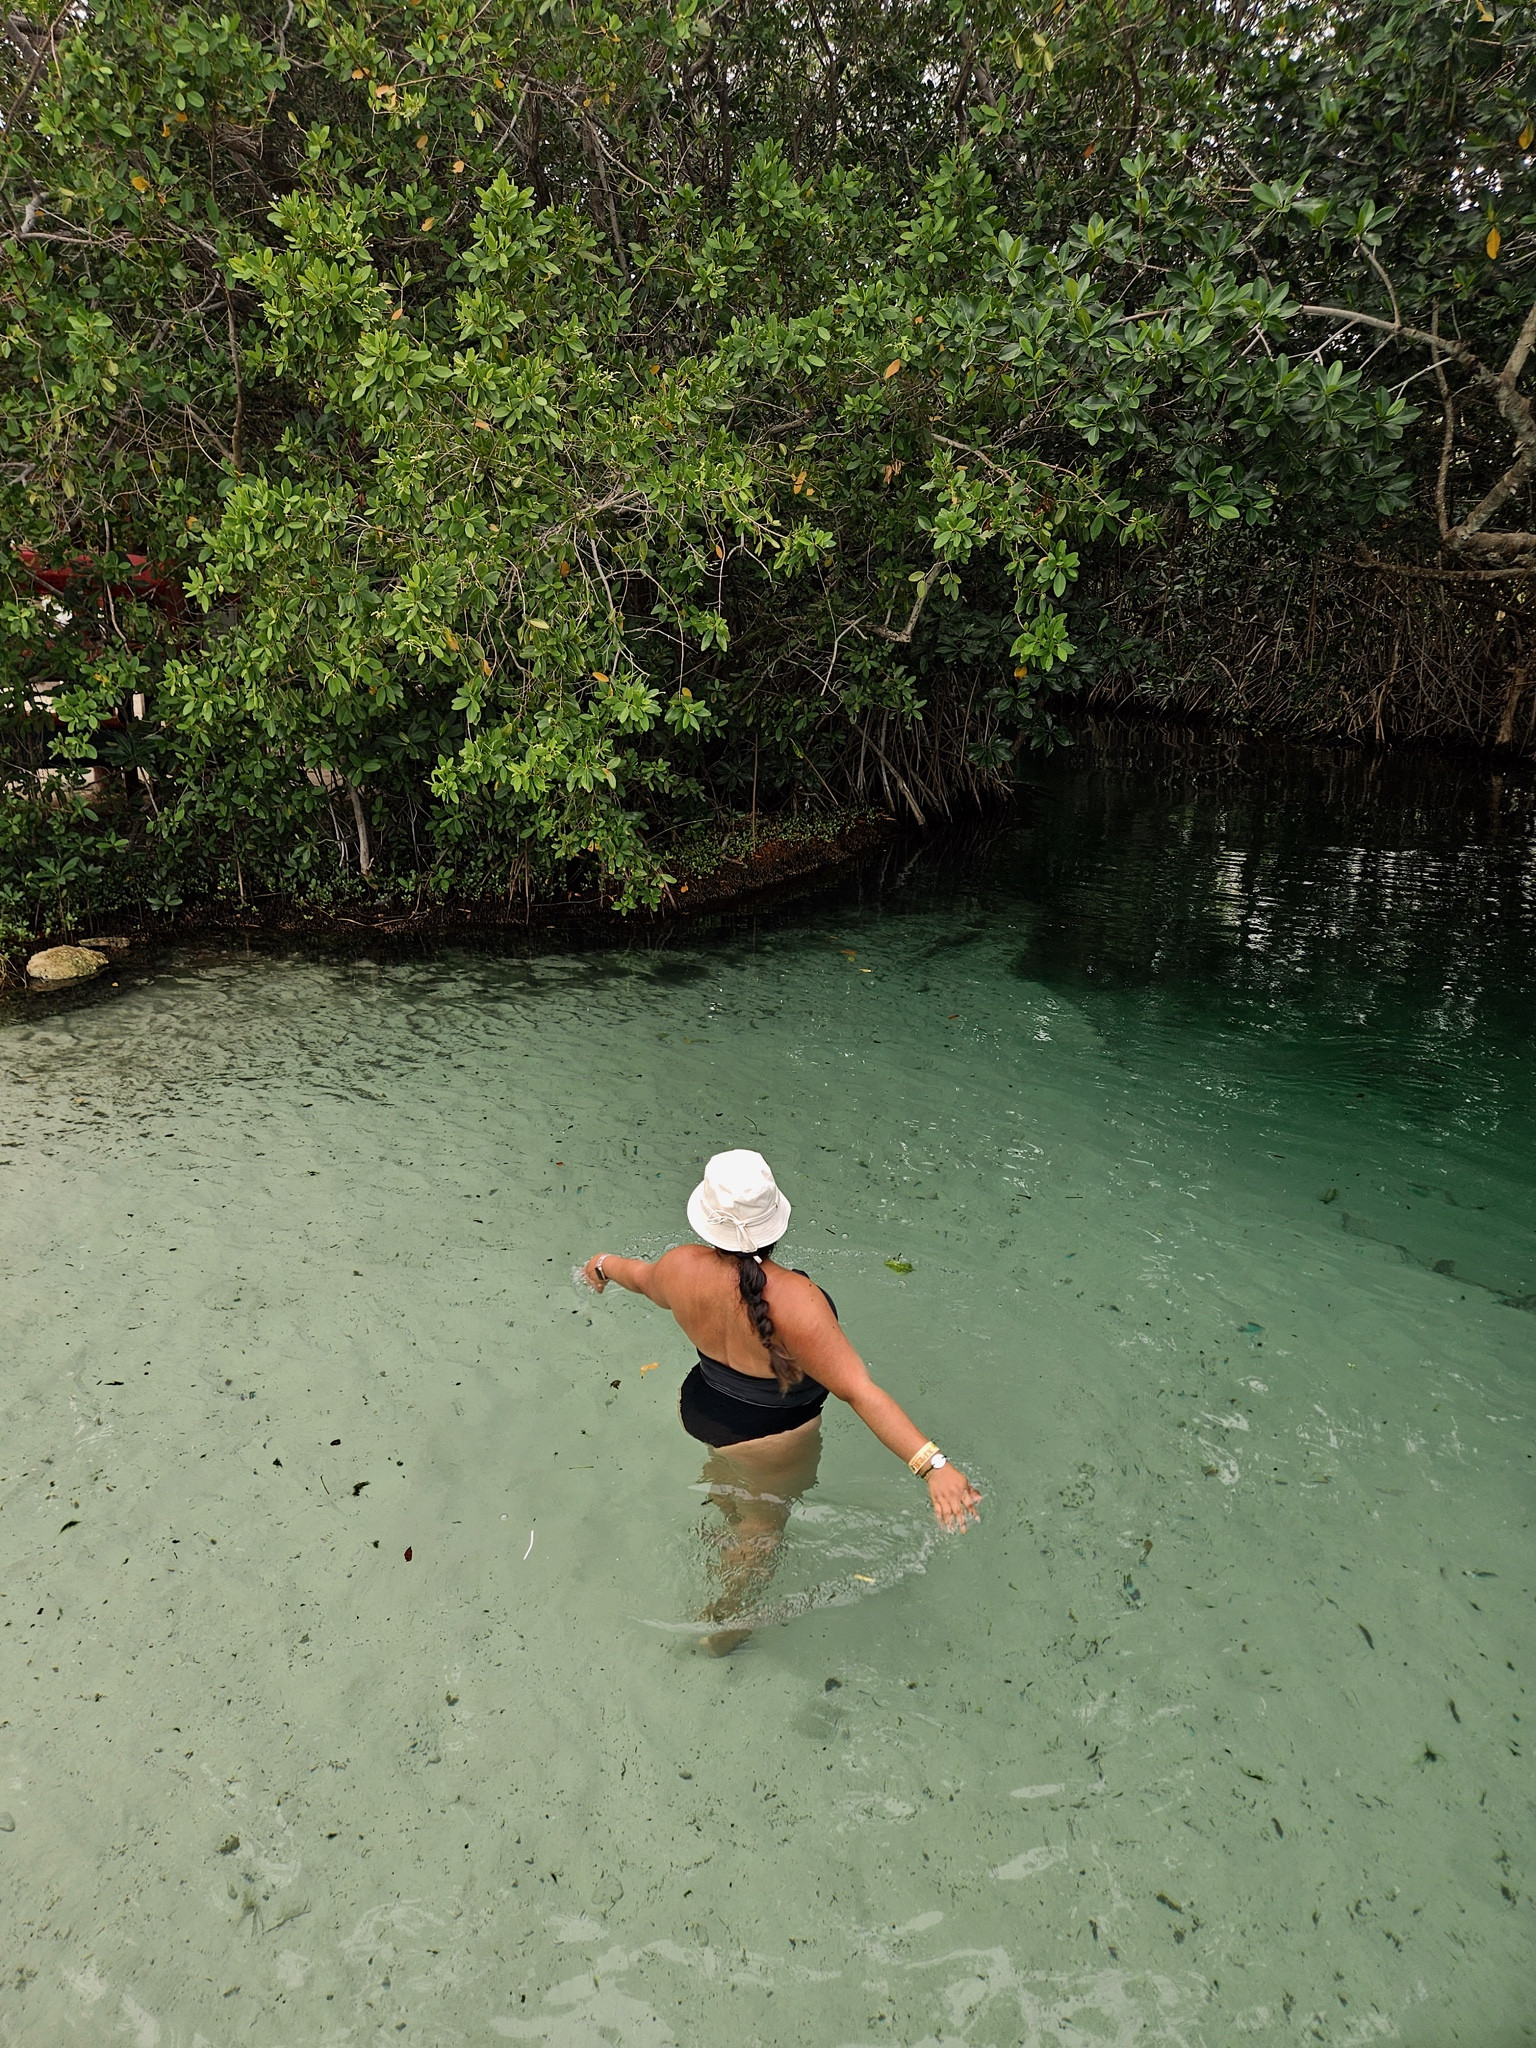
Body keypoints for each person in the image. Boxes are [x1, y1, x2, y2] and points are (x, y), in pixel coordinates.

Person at [583, 1149, 981, 1650]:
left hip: (703, 1407)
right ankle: (726, 1625)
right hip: (772, 1436)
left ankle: (730, 1527)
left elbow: (635, 1276)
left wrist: (600, 1265)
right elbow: (859, 1390)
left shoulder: (679, 1266)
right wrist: (933, 1465)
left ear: (707, 1221)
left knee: (735, 1488)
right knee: (763, 1526)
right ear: (775, 1222)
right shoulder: (796, 1300)